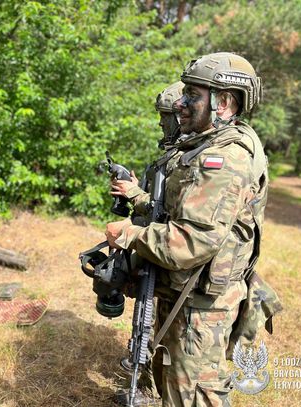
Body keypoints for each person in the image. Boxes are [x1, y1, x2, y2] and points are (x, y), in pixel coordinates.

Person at [105, 52, 269, 406]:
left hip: (201, 306)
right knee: (170, 385)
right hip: (186, 294)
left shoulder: (224, 159)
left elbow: (190, 242)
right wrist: (137, 197)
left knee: (191, 396)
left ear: (224, 103)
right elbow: (176, 211)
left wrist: (129, 234)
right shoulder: (206, 146)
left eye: (192, 95)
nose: (180, 104)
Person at [112, 81, 184, 407]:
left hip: (178, 262)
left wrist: (134, 197)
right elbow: (156, 208)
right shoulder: (170, 159)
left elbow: (173, 217)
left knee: (175, 342)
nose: (160, 123)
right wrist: (134, 192)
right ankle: (147, 387)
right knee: (151, 325)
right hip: (159, 253)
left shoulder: (189, 161)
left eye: (165, 117)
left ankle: (159, 391)